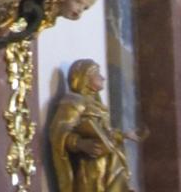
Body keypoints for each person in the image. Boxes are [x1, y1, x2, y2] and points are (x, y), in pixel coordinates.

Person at [49, 60, 141, 192]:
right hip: (90, 167)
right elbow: (59, 132)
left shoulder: (98, 105)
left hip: (110, 163)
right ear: (85, 78)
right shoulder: (74, 102)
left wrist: (124, 135)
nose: (102, 78)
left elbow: (105, 132)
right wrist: (79, 143)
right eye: (97, 74)